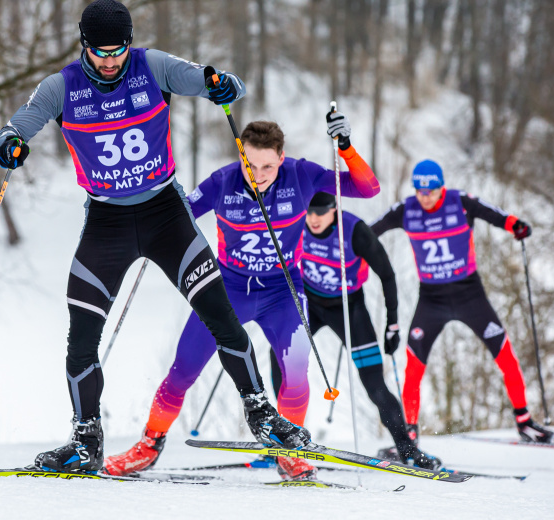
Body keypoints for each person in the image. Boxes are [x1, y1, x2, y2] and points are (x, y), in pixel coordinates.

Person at [0, 0, 309, 473]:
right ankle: (85, 441)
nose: (110, 60)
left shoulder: (151, 67)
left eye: (118, 50)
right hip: (107, 223)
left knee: (222, 318)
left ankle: (264, 418)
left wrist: (220, 84)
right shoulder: (62, 88)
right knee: (81, 339)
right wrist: (10, 145)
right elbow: (18, 126)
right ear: (84, 46)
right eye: (99, 52)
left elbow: (218, 83)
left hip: (166, 215)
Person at [105, 117, 380, 480]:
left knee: (295, 371)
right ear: (241, 156)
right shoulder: (223, 182)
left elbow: (368, 188)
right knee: (183, 370)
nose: (259, 174)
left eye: (268, 165)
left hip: (283, 291)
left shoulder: (302, 175)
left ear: (282, 157)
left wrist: (345, 147)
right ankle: (149, 445)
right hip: (228, 290)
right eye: (250, 165)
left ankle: (288, 452)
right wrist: (147, 208)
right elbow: (177, 215)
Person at [369, 159, 554, 449]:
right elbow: (370, 231)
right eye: (419, 190)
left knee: (505, 355)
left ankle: (525, 423)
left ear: (441, 187)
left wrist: (515, 225)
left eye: (430, 191)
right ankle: (410, 435)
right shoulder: (406, 210)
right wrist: (350, 247)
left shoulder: (461, 202)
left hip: (470, 295)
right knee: (414, 366)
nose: (425, 197)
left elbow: (494, 214)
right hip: (431, 298)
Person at [266, 191, 440, 469]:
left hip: (349, 309)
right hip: (309, 302)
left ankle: (408, 450)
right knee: (279, 358)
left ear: (334, 210)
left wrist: (392, 324)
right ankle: (284, 439)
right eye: (309, 213)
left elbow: (387, 274)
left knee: (374, 384)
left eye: (320, 213)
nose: (313, 219)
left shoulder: (355, 231)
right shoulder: (297, 222)